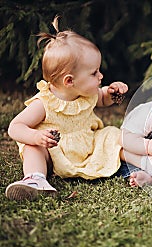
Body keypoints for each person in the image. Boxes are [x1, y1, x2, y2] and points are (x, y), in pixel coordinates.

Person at [5, 16, 128, 201]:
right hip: (53, 152)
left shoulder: (87, 92)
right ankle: (35, 179)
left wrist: (112, 93)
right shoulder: (44, 103)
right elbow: (15, 127)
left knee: (111, 135)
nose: (101, 76)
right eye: (94, 73)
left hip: (86, 146)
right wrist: (36, 137)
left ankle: (143, 157)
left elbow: (101, 99)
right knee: (33, 148)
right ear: (69, 81)